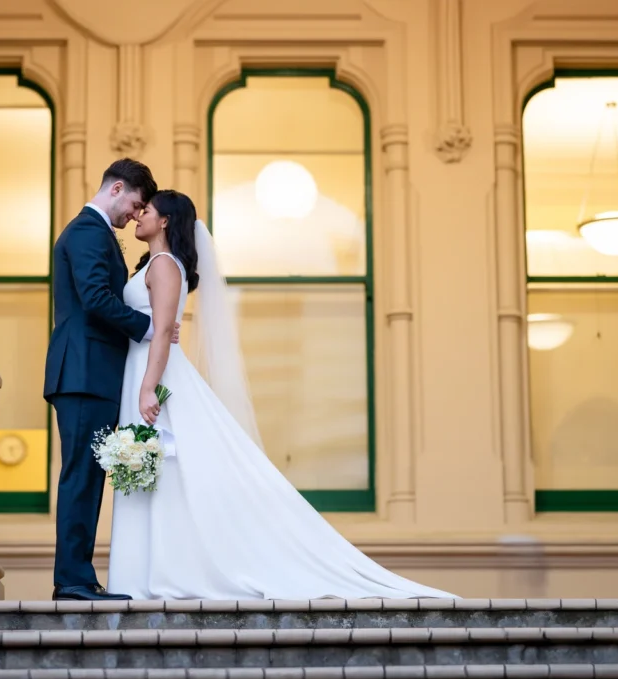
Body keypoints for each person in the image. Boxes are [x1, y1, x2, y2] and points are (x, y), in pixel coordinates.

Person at [106, 189, 458, 600]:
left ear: (165, 220)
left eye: (145, 211)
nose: (137, 217)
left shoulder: (165, 265)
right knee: (155, 473)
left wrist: (149, 387)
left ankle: (163, 571)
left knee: (161, 470)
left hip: (157, 377)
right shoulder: (156, 264)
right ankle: (148, 571)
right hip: (146, 370)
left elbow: (164, 329)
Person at [43, 159, 179, 601]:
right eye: (135, 205)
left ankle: (79, 576)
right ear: (116, 188)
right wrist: (149, 327)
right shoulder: (87, 231)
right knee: (81, 475)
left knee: (87, 475)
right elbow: (97, 298)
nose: (134, 216)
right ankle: (73, 581)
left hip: (92, 372)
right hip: (84, 372)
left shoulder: (96, 233)